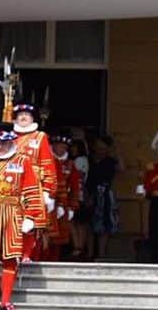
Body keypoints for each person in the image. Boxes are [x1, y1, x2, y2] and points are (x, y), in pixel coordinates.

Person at [0, 124, 46, 310]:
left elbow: (31, 190)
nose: (0, 146)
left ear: (11, 142)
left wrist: (31, 216)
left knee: (10, 256)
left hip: (13, 212)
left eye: (4, 142)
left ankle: (5, 301)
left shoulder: (23, 161)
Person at [12, 103, 57, 261]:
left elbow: (48, 163)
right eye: (20, 115)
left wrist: (48, 191)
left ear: (32, 118)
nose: (23, 118)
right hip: (13, 183)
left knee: (34, 222)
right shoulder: (9, 136)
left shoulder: (40, 137)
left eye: (27, 115)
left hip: (35, 184)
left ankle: (27, 255)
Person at [85, 133, 122, 260]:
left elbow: (121, 168)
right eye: (98, 147)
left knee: (104, 225)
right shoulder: (88, 159)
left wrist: (116, 149)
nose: (100, 150)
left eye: (103, 148)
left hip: (106, 195)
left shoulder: (110, 161)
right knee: (89, 224)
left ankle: (101, 254)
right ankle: (89, 253)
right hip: (90, 193)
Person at [46, 132, 81, 261]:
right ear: (53, 146)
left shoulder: (70, 165)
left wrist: (72, 207)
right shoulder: (46, 160)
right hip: (46, 201)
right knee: (44, 236)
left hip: (63, 205)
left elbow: (75, 187)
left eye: (65, 148)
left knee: (59, 238)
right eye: (60, 146)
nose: (62, 150)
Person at [137, 130, 158, 263]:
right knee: (156, 231)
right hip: (157, 202)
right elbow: (146, 190)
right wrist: (141, 184)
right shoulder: (153, 168)